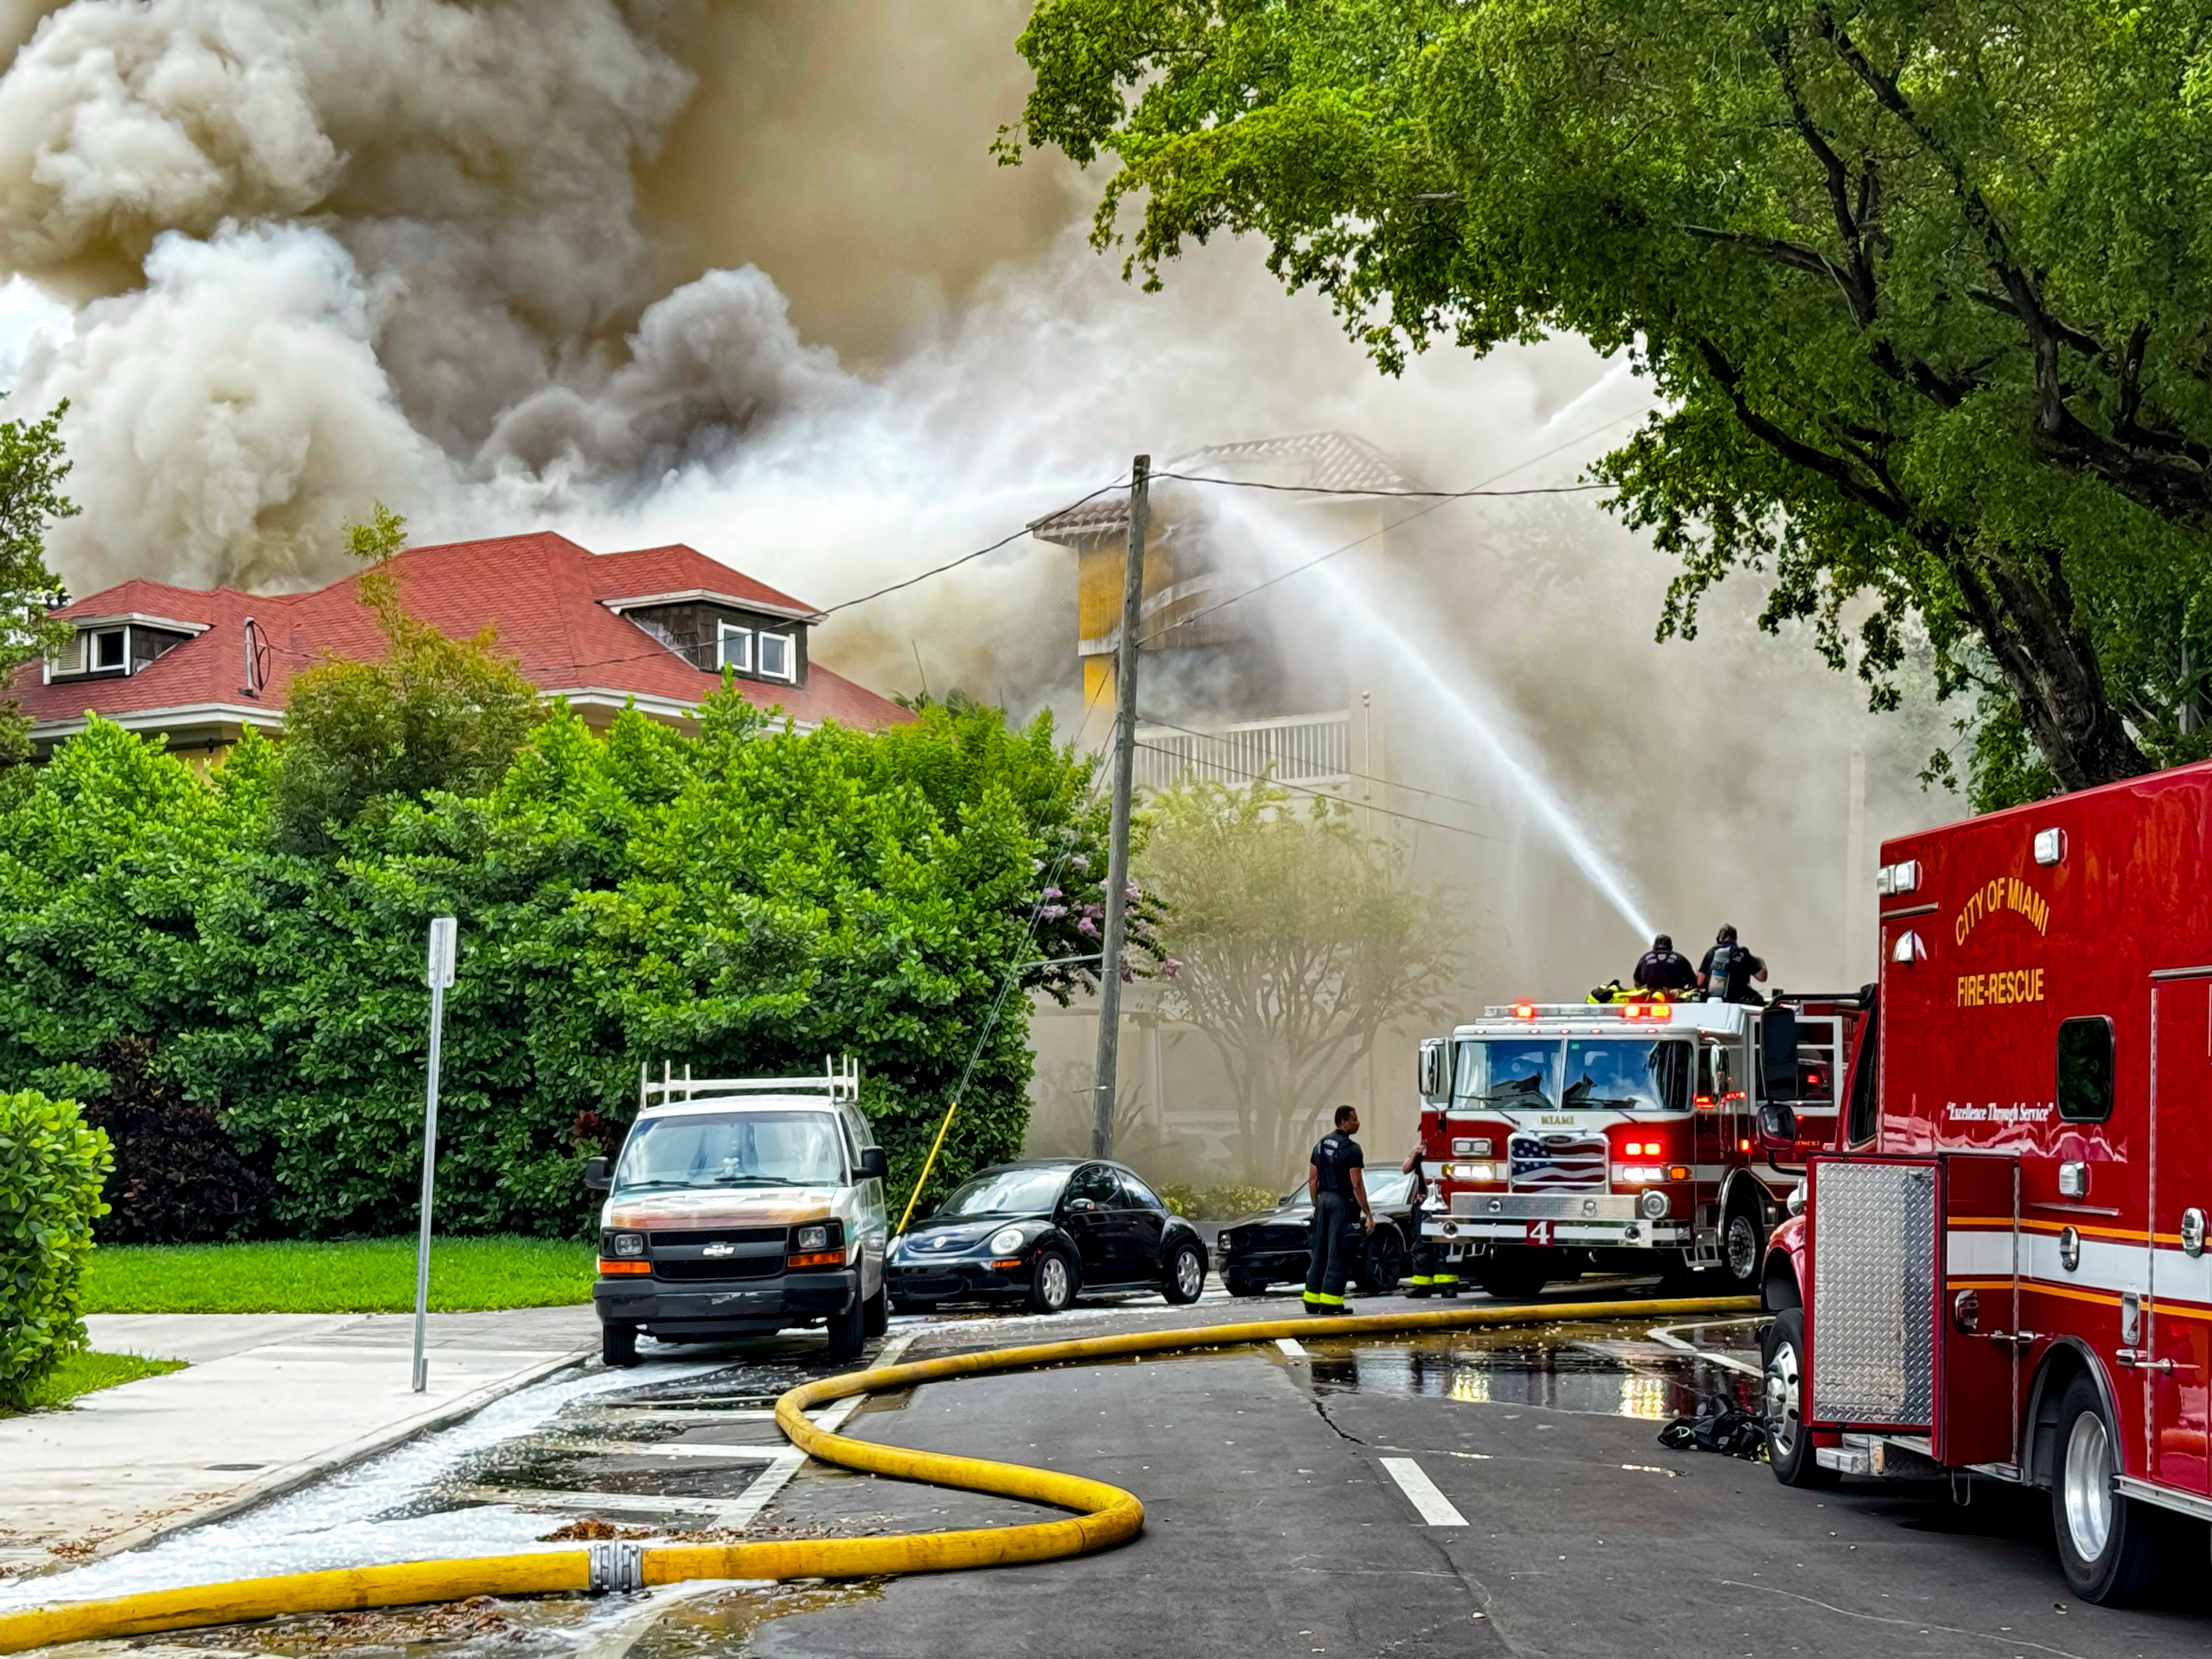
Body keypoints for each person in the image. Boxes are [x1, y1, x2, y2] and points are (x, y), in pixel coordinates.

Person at [1303, 1105, 1374, 1315]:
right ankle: (1331, 1302)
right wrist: (1368, 1213)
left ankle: (1312, 1299)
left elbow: (1313, 1180)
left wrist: (1316, 1206)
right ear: (1344, 1121)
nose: (1358, 1123)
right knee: (1339, 1251)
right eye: (1355, 1119)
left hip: (1323, 1200)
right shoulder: (1352, 1150)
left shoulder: (1319, 1145)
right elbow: (1356, 1185)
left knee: (1320, 1251)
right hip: (1341, 1203)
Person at [1400, 1141, 1458, 1299]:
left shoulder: (1453, 1148)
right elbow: (1406, 1169)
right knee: (1422, 1244)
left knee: (1445, 1245)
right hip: (1425, 1204)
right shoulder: (1422, 1149)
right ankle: (1423, 1285)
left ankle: (1448, 1286)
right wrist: (1416, 1153)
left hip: (1448, 1204)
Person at [1698, 924, 1769, 1004]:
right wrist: (1761, 961)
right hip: (1739, 1000)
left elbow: (1700, 983)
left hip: (1713, 1000)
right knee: (1759, 1000)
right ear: (1735, 938)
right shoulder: (1742, 953)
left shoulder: (1712, 952)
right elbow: (1762, 977)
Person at [1633, 934, 1697, 994]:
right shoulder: (1680, 959)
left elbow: (1637, 983)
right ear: (1671, 947)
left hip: (1650, 996)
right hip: (1673, 996)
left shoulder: (1644, 958)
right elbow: (1693, 984)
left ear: (1654, 947)